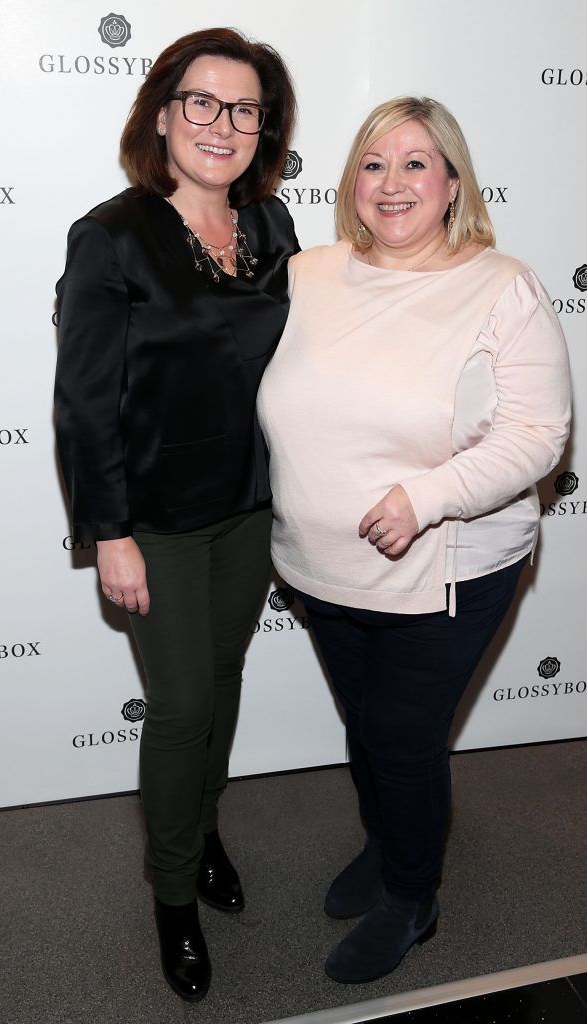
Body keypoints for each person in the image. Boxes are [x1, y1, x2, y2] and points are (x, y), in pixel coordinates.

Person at [257, 96, 570, 984]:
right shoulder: (309, 273)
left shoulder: (501, 285)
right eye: (372, 164)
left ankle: (410, 895)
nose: (391, 183)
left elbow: (537, 436)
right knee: (367, 730)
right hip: (319, 564)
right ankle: (390, 839)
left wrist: (425, 497)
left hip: (449, 568)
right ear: (351, 182)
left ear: (452, 183)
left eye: (416, 164)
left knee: (402, 736)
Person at [54, 27, 297, 1002]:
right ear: (161, 113)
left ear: (261, 130)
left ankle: (200, 835)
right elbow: (83, 399)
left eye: (243, 109)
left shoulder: (273, 226)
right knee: (183, 704)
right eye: (201, 102)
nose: (221, 124)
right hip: (153, 517)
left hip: (250, 507)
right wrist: (107, 531)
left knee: (226, 679)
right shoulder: (112, 235)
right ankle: (171, 894)